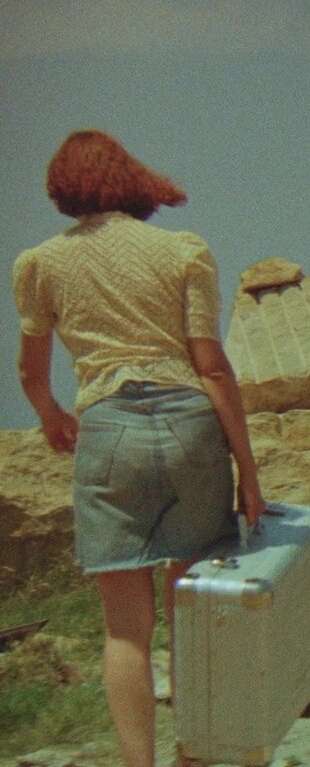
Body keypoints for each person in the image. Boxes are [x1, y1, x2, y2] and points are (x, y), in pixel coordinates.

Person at [13, 130, 265, 767]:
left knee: (125, 628)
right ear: (128, 179)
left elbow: (31, 373)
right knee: (191, 611)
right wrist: (248, 470)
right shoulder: (182, 250)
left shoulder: (41, 264)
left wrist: (51, 417)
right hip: (189, 425)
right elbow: (212, 367)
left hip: (108, 427)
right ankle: (196, 754)